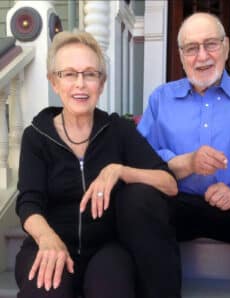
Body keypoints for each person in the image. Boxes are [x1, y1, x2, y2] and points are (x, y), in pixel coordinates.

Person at [116, 12, 230, 298]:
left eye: (211, 44)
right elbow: (143, 161)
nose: (202, 56)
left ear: (226, 47)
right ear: (180, 55)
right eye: (192, 48)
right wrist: (186, 163)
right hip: (179, 206)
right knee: (135, 199)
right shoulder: (161, 99)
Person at [15, 30, 178, 298]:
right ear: (54, 83)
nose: (80, 83)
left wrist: (120, 170)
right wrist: (47, 239)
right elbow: (29, 202)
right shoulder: (36, 136)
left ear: (101, 84)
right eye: (69, 74)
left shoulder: (119, 130)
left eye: (90, 74)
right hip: (48, 242)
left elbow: (169, 183)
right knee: (45, 291)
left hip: (106, 249)